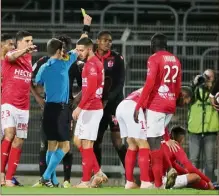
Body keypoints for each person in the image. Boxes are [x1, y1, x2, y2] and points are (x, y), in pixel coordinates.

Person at [33, 14, 92, 188]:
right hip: (61, 109)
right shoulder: (65, 64)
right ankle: (45, 176)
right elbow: (81, 44)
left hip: (48, 108)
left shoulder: (44, 66)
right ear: (60, 51)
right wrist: (86, 26)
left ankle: (54, 180)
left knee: (52, 145)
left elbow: (38, 83)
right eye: (63, 49)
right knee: (65, 147)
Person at [134, 33, 182, 188]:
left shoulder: (154, 58)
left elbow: (149, 83)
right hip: (170, 104)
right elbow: (178, 85)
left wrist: (139, 105)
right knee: (159, 139)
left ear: (152, 45)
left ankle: (158, 183)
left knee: (153, 143)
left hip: (157, 104)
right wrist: (173, 102)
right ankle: (168, 170)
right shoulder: (175, 60)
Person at [1, 30, 38, 187]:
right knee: (9, 133)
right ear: (19, 42)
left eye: (31, 41)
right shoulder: (13, 54)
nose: (30, 43)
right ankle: (1, 173)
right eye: (27, 40)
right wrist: (24, 50)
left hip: (24, 106)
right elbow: (10, 57)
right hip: (9, 102)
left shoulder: (29, 58)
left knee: (19, 140)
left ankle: (9, 178)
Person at [72, 37, 105, 188]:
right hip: (88, 107)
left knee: (86, 143)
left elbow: (91, 90)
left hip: (92, 108)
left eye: (81, 50)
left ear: (89, 49)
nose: (78, 53)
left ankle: (85, 181)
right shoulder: (91, 63)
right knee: (78, 141)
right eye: (77, 50)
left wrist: (79, 107)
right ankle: (98, 172)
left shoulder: (92, 65)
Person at [93, 30, 127, 168]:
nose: (108, 43)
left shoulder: (117, 58)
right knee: (96, 141)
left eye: (110, 41)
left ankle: (129, 177)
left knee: (118, 141)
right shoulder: (91, 58)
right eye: (105, 40)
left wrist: (107, 99)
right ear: (98, 41)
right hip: (96, 106)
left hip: (114, 106)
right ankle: (97, 175)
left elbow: (120, 83)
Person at [116, 88, 151, 189]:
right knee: (143, 143)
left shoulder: (145, 88)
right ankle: (145, 181)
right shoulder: (159, 92)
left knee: (132, 144)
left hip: (121, 107)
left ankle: (129, 181)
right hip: (133, 107)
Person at [188, 69, 219, 182]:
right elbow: (185, 97)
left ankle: (209, 183)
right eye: (205, 76)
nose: (207, 79)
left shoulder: (216, 92)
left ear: (214, 80)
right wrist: (193, 84)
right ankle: (192, 182)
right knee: (193, 160)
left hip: (210, 131)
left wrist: (212, 88)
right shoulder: (195, 90)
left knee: (210, 161)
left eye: (210, 77)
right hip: (194, 130)